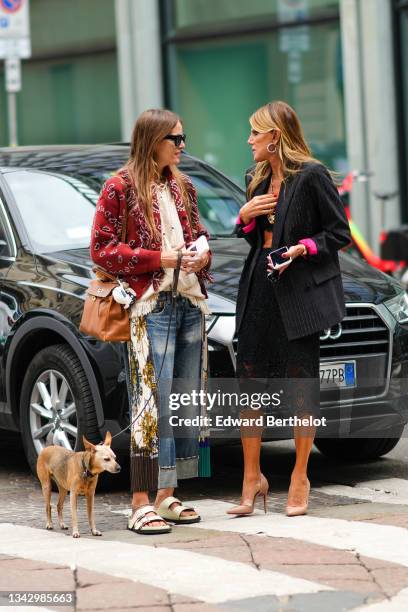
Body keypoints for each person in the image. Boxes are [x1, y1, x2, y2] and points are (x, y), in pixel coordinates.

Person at [90, 109, 212, 534]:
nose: (182, 146)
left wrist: (201, 252)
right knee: (149, 402)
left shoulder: (184, 186)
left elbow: (200, 233)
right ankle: (140, 501)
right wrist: (158, 258)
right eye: (175, 139)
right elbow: (102, 250)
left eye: (183, 138)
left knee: (181, 399)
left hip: (189, 301)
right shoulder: (119, 187)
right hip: (149, 304)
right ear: (152, 140)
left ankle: (167, 495)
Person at [230, 100, 351, 517]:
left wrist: (304, 248)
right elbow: (251, 238)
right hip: (258, 288)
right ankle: (252, 477)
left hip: (298, 292)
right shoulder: (254, 177)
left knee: (301, 382)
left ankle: (300, 475)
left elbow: (338, 233)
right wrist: (244, 216)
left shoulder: (312, 176)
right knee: (250, 381)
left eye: (255, 133)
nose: (249, 141)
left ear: (275, 138)